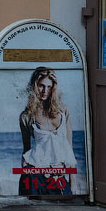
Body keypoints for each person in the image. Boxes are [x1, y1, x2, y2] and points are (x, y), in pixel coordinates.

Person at [18, 67, 76, 196]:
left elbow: (69, 148)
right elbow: (26, 149)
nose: (45, 91)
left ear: (54, 88)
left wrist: (73, 182)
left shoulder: (63, 111)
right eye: (41, 86)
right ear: (34, 86)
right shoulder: (26, 116)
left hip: (58, 176)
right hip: (34, 175)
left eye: (49, 87)